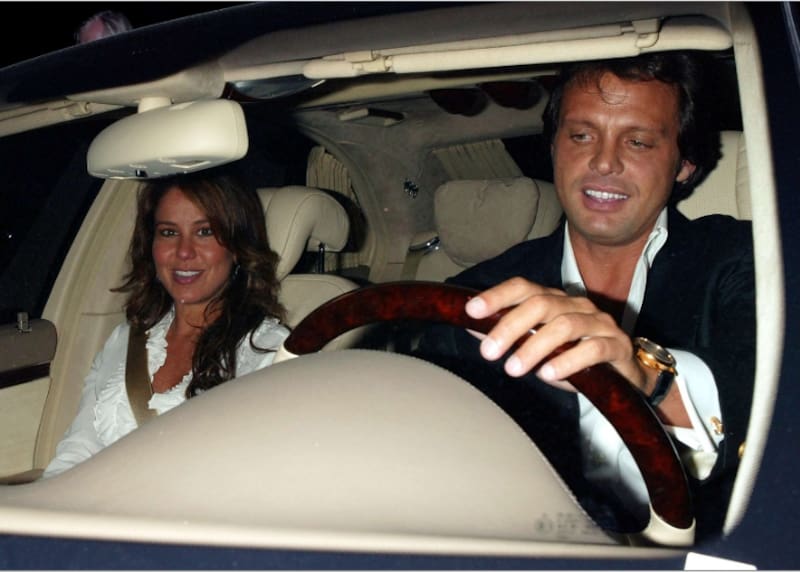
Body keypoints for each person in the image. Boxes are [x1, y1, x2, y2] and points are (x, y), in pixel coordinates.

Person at [417, 51, 755, 539]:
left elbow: (767, 395)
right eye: (581, 136)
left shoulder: (745, 260)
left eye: (638, 142)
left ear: (684, 165)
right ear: (554, 148)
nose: (603, 161)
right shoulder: (476, 298)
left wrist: (646, 378)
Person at [43, 170, 289, 478]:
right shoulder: (125, 339)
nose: (184, 252)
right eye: (169, 232)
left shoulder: (270, 352)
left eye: (205, 232)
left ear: (238, 247)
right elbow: (78, 449)